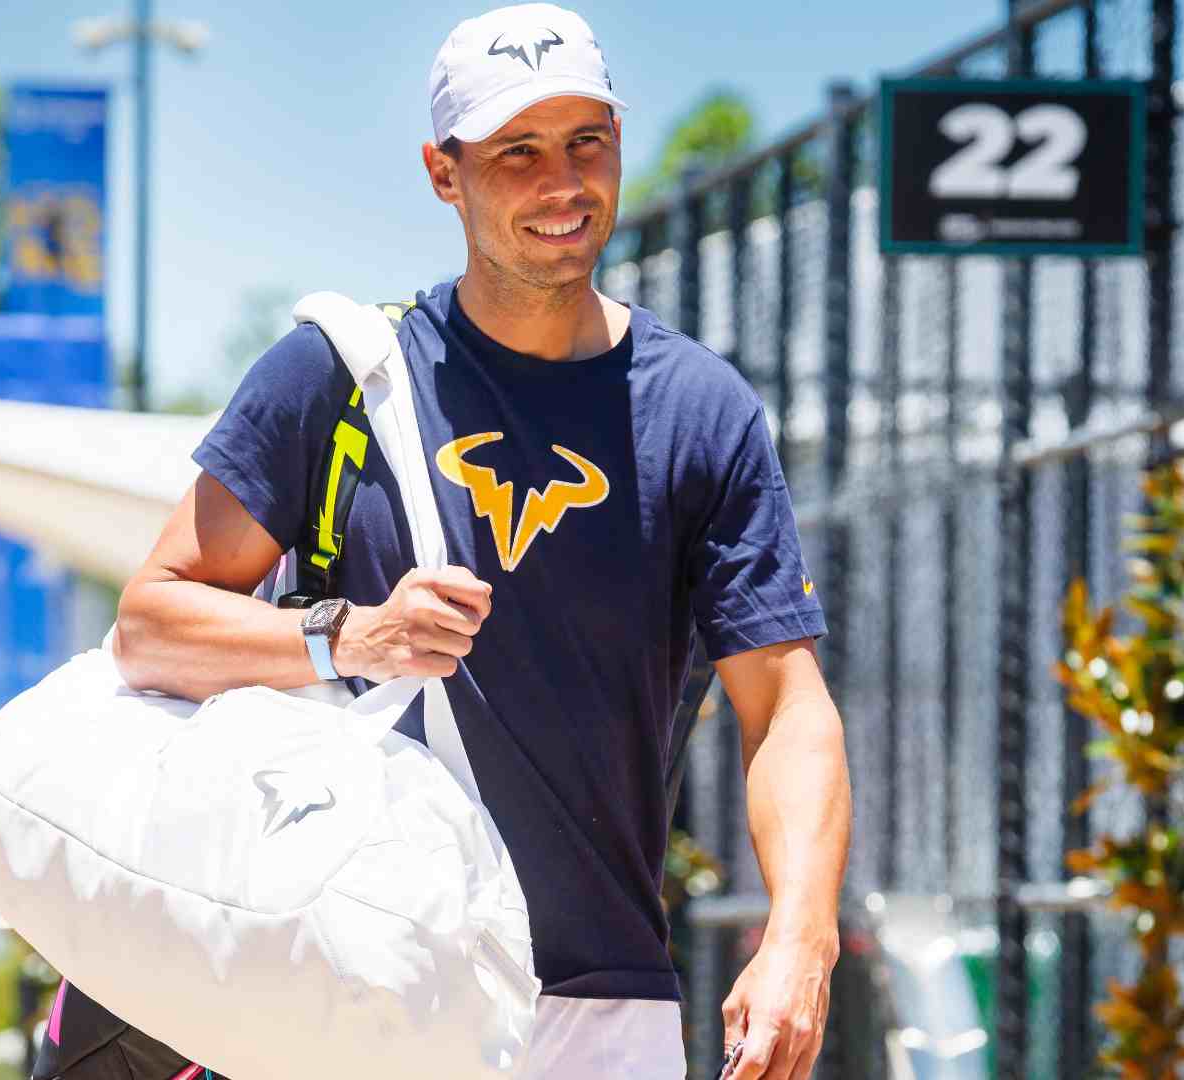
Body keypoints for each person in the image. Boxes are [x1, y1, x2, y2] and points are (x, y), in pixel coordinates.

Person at [114, 4, 852, 1077]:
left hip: (603, 1003)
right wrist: (351, 635)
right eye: (518, 151)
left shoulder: (704, 410)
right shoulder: (338, 377)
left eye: (586, 142)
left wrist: (800, 934)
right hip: (352, 975)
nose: (563, 183)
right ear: (443, 174)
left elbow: (785, 702)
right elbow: (149, 626)